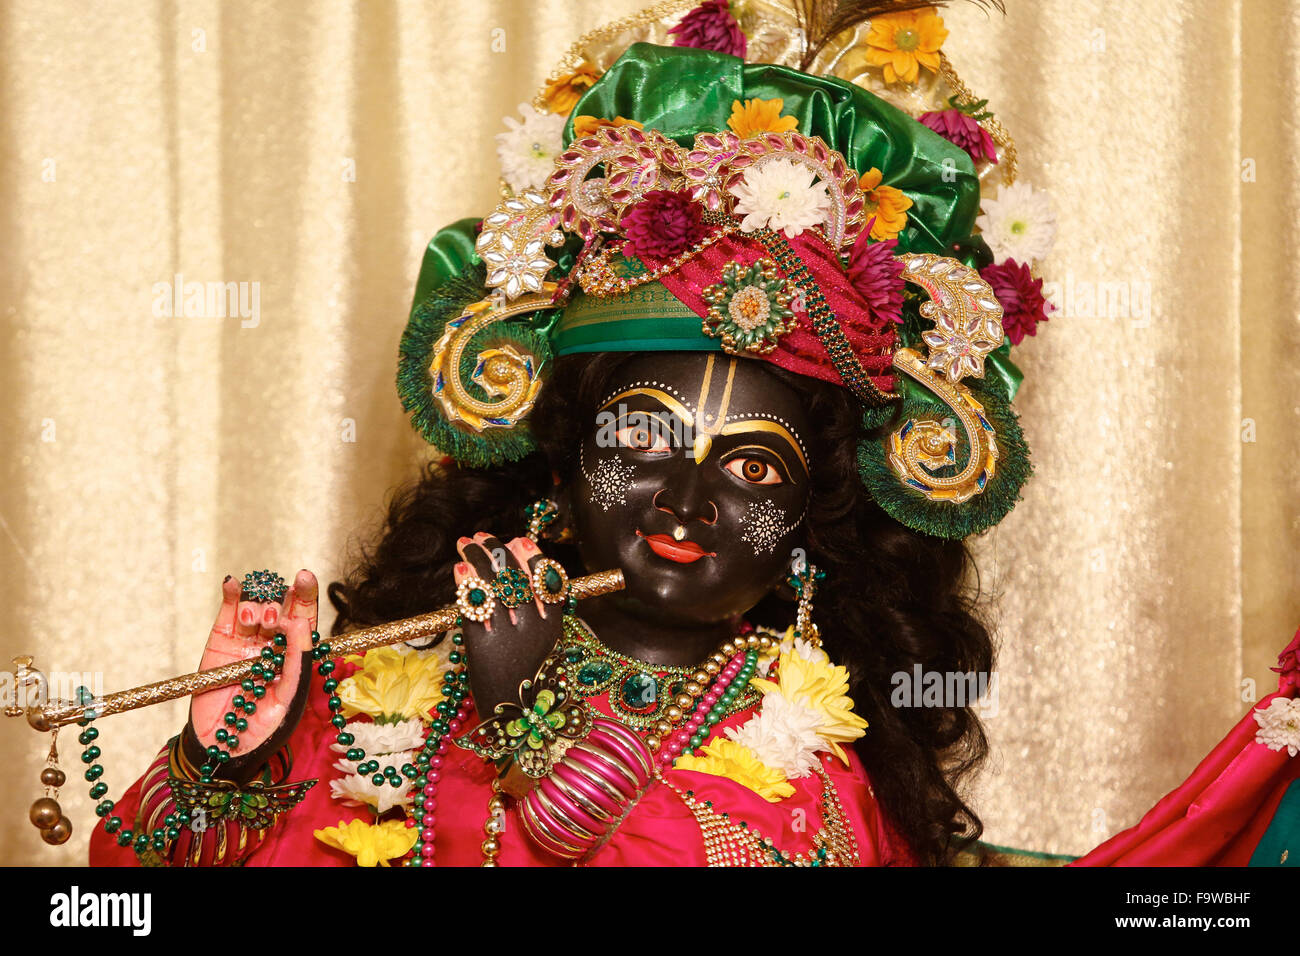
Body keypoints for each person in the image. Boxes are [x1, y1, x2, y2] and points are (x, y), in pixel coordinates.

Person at [79, 1, 1298, 868]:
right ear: (557, 462)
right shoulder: (374, 694)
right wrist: (220, 753)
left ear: (810, 533)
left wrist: (543, 715)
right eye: (640, 434)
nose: (685, 493)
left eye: (754, 466)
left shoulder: (806, 776)